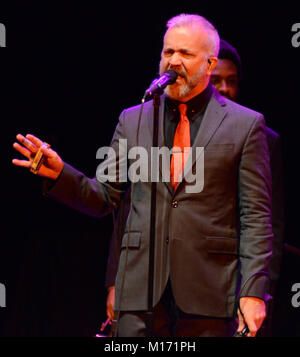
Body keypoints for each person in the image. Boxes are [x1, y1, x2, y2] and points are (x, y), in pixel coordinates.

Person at [12, 14, 273, 337]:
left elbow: (256, 217)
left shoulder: (245, 125)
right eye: (168, 52)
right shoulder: (133, 119)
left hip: (209, 294)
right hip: (139, 295)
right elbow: (103, 197)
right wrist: (60, 174)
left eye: (186, 54)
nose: (173, 61)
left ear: (210, 63)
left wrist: (253, 291)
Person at [212, 39, 285, 336]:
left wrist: (263, 289)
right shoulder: (178, 133)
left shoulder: (265, 139)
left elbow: (272, 222)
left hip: (243, 281)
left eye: (232, 81)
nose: (226, 88)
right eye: (216, 81)